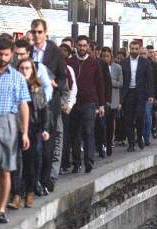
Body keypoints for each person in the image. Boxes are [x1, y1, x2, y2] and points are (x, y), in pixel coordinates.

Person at [0, 37, 30, 222]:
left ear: (11, 55)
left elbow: (23, 105)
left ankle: (1, 209)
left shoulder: (18, 77)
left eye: (6, 54)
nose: (2, 58)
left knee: (5, 169)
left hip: (8, 121)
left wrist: (25, 131)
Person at [30, 18, 69, 194]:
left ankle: (46, 180)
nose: (37, 35)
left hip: (49, 104)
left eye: (40, 32)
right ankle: (33, 182)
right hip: (32, 103)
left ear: (45, 32)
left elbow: (63, 77)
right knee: (32, 146)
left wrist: (55, 83)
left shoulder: (54, 51)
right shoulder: (29, 50)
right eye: (34, 31)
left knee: (47, 147)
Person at [16, 58, 53, 208]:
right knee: (16, 164)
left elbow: (44, 110)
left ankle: (29, 192)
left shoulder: (37, 89)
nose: (24, 71)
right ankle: (17, 193)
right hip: (17, 127)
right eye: (22, 68)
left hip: (33, 128)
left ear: (32, 71)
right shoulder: (15, 85)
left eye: (27, 68)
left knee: (30, 162)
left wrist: (45, 129)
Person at [68, 35, 104, 173]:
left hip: (89, 102)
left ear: (88, 46)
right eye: (80, 45)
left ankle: (89, 161)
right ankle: (76, 162)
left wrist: (101, 104)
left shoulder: (94, 63)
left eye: (84, 45)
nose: (82, 48)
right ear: (76, 46)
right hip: (74, 102)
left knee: (88, 131)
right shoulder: (70, 62)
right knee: (75, 133)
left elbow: (99, 84)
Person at [120, 40, 154, 151]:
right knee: (128, 119)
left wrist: (150, 94)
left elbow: (149, 79)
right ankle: (131, 143)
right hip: (128, 93)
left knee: (140, 117)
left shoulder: (145, 62)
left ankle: (139, 137)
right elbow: (122, 80)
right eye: (132, 49)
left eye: (136, 49)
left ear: (139, 49)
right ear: (129, 49)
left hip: (140, 94)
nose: (134, 51)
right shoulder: (124, 62)